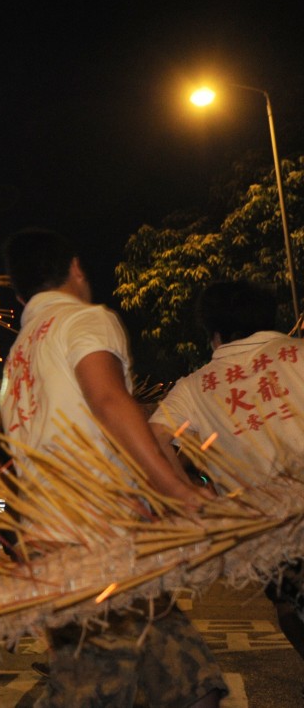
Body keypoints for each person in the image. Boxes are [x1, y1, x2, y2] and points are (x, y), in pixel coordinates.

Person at [0, 228, 226, 708]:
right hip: (95, 539)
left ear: (20, 293)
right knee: (93, 692)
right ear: (76, 268)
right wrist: (179, 491)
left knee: (189, 681)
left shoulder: (18, 355)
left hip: (63, 537)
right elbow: (107, 399)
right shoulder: (84, 319)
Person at [149, 280, 304, 660]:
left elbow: (154, 439)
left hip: (271, 530)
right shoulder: (299, 353)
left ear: (215, 334)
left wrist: (186, 491)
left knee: (290, 609)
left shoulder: (194, 387)